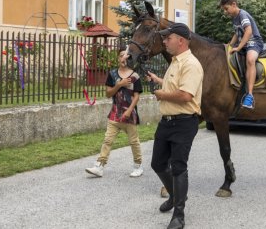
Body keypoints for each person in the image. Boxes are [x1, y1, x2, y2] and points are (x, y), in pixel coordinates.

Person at [146, 23, 203, 229]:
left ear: (180, 40)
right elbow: (175, 87)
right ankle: (173, 195)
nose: (164, 41)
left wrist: (161, 94)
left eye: (167, 38)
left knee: (178, 167)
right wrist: (158, 80)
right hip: (167, 122)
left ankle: (179, 214)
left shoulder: (191, 64)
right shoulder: (175, 62)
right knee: (158, 163)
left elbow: (186, 95)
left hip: (184, 123)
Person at [85, 48, 144, 178]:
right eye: (121, 55)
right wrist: (119, 84)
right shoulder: (112, 74)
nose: (124, 58)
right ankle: (99, 166)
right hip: (115, 113)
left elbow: (136, 97)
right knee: (107, 140)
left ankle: (138, 166)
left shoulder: (135, 76)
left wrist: (129, 111)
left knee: (134, 142)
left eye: (126, 55)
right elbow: (108, 94)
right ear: (118, 59)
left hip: (129, 115)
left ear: (129, 59)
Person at [219, 0, 264, 109]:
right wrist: (230, 45)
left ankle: (249, 95)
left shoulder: (242, 15)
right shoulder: (234, 18)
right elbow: (237, 33)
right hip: (243, 44)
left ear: (233, 4)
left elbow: (248, 32)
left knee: (250, 59)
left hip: (254, 42)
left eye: (226, 8)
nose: (225, 12)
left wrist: (238, 47)